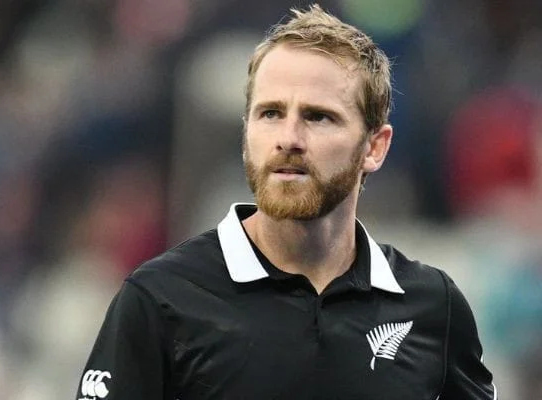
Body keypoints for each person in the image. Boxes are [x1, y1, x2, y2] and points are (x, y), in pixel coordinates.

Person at [76, 5, 496, 399]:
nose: (288, 139)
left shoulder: (433, 305)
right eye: (271, 113)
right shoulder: (160, 298)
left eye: (318, 117)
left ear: (374, 147)